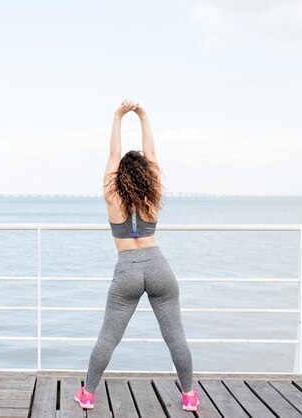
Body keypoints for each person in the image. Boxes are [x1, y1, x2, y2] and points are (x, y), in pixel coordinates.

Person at [74, 100, 200, 412]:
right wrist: (143, 116)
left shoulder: (112, 195)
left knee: (108, 339)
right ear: (145, 173)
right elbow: (153, 156)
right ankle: (189, 397)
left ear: (119, 176)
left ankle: (87, 395)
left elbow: (112, 156)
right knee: (176, 338)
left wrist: (117, 117)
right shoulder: (153, 192)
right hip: (158, 266)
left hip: (127, 269)